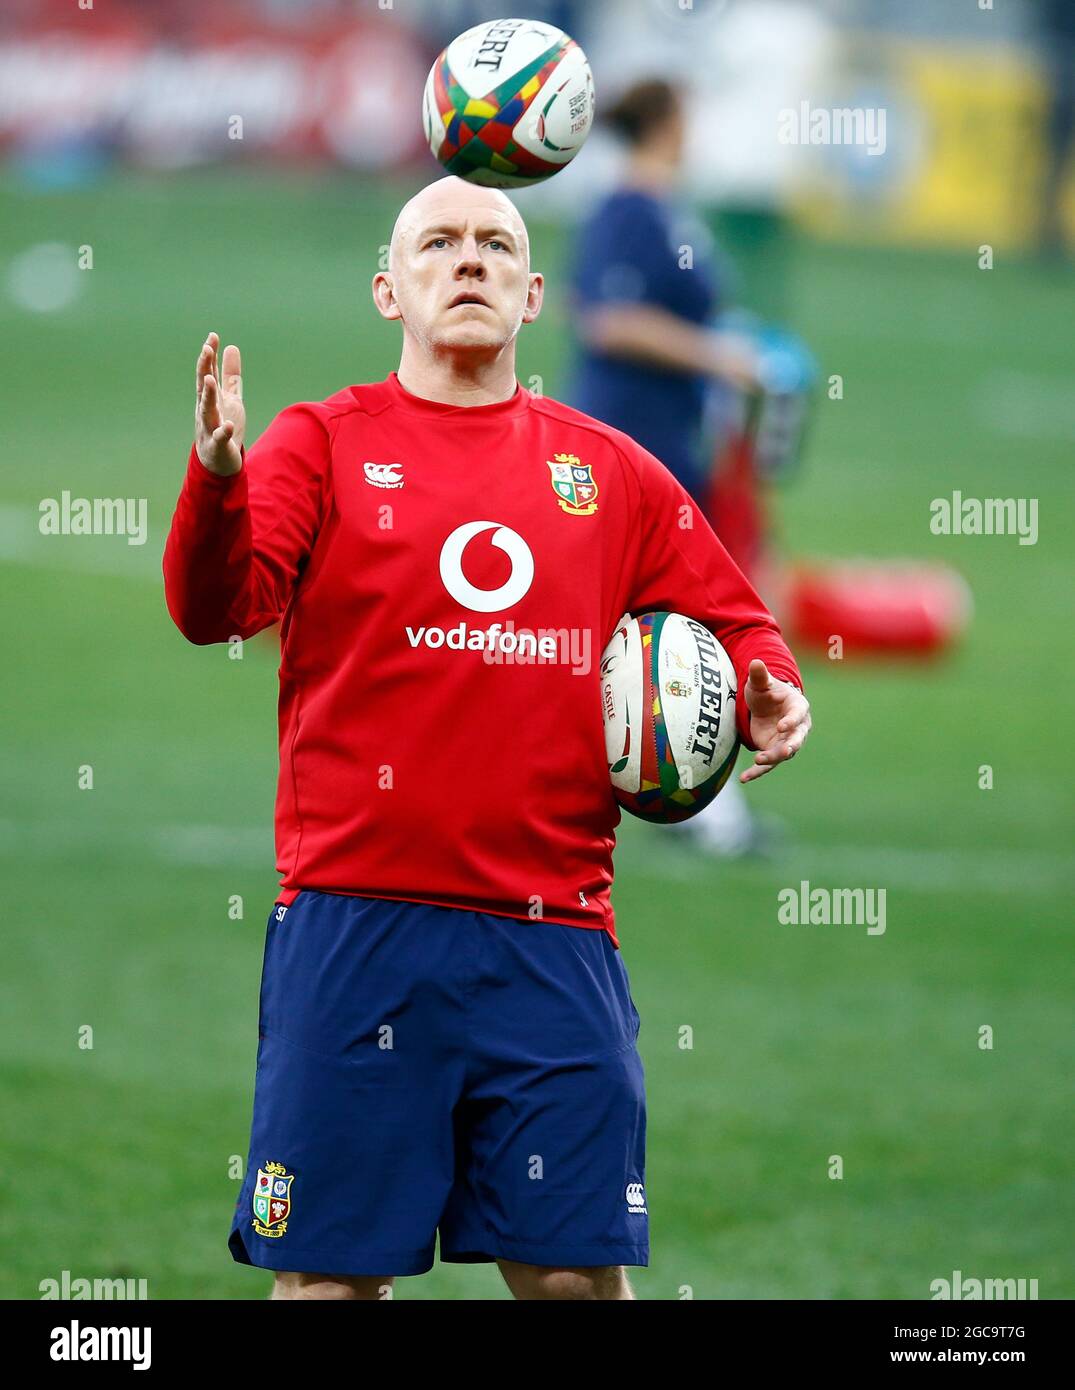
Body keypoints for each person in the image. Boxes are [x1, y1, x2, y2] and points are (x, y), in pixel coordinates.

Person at [163, 175, 811, 1301]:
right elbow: (213, 606)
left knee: (571, 1281)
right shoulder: (320, 443)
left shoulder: (606, 471)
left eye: (495, 245)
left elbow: (732, 613)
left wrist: (768, 682)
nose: (468, 262)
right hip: (356, 926)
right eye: (438, 244)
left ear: (532, 293)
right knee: (328, 1285)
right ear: (387, 289)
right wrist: (217, 482)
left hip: (551, 933)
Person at [569, 78, 776, 856]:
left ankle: (678, 790)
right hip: (630, 442)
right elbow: (610, 318)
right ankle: (703, 803)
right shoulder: (627, 209)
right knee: (678, 619)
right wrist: (720, 357)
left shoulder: (665, 209)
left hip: (671, 440)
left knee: (652, 621)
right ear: (663, 123)